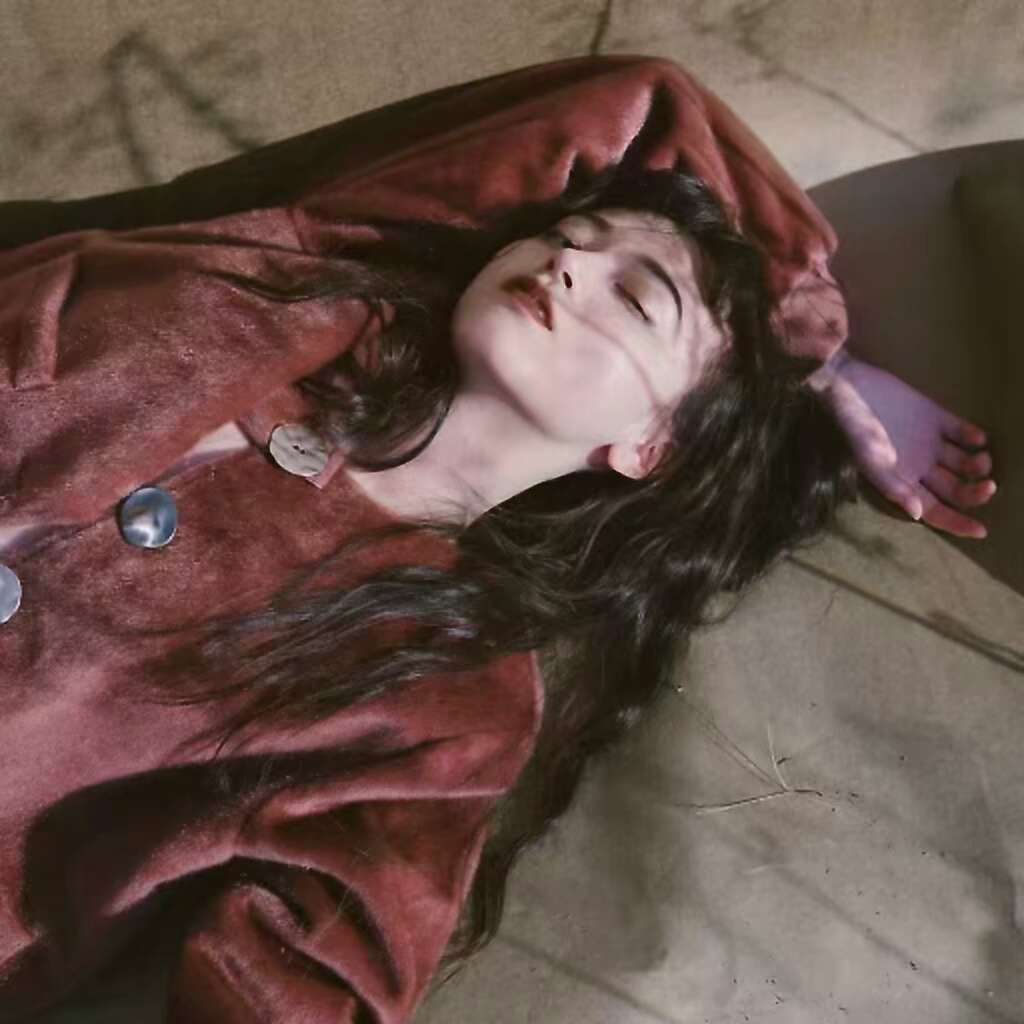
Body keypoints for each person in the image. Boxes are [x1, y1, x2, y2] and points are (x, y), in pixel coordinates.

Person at [0, 56, 996, 1023]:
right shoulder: (300, 286)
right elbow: (646, 102)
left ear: (648, 446)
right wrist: (815, 350)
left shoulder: (450, 689)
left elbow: (320, 971)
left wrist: (783, 382)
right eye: (570, 236)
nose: (572, 263)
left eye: (634, 298)